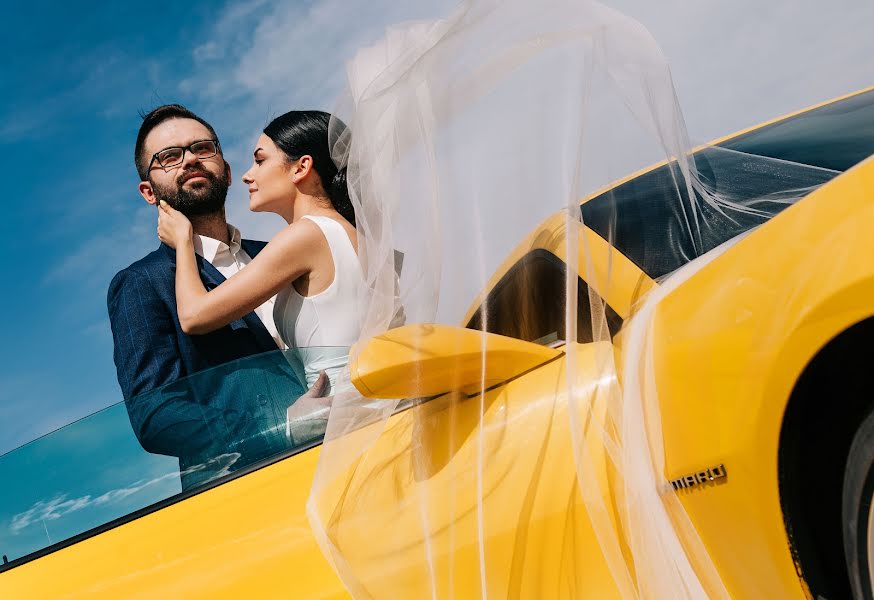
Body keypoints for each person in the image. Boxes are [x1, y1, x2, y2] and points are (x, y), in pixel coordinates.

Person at [108, 104, 313, 491]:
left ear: (228, 169)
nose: (189, 160)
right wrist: (281, 428)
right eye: (169, 157)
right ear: (148, 192)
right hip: (249, 487)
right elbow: (156, 413)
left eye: (202, 148)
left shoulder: (283, 251)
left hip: (354, 450)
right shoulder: (141, 283)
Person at [156, 110, 364, 424]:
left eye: (260, 160)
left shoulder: (305, 235)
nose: (246, 175)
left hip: (342, 423)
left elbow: (194, 315)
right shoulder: (353, 234)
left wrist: (184, 242)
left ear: (301, 167)